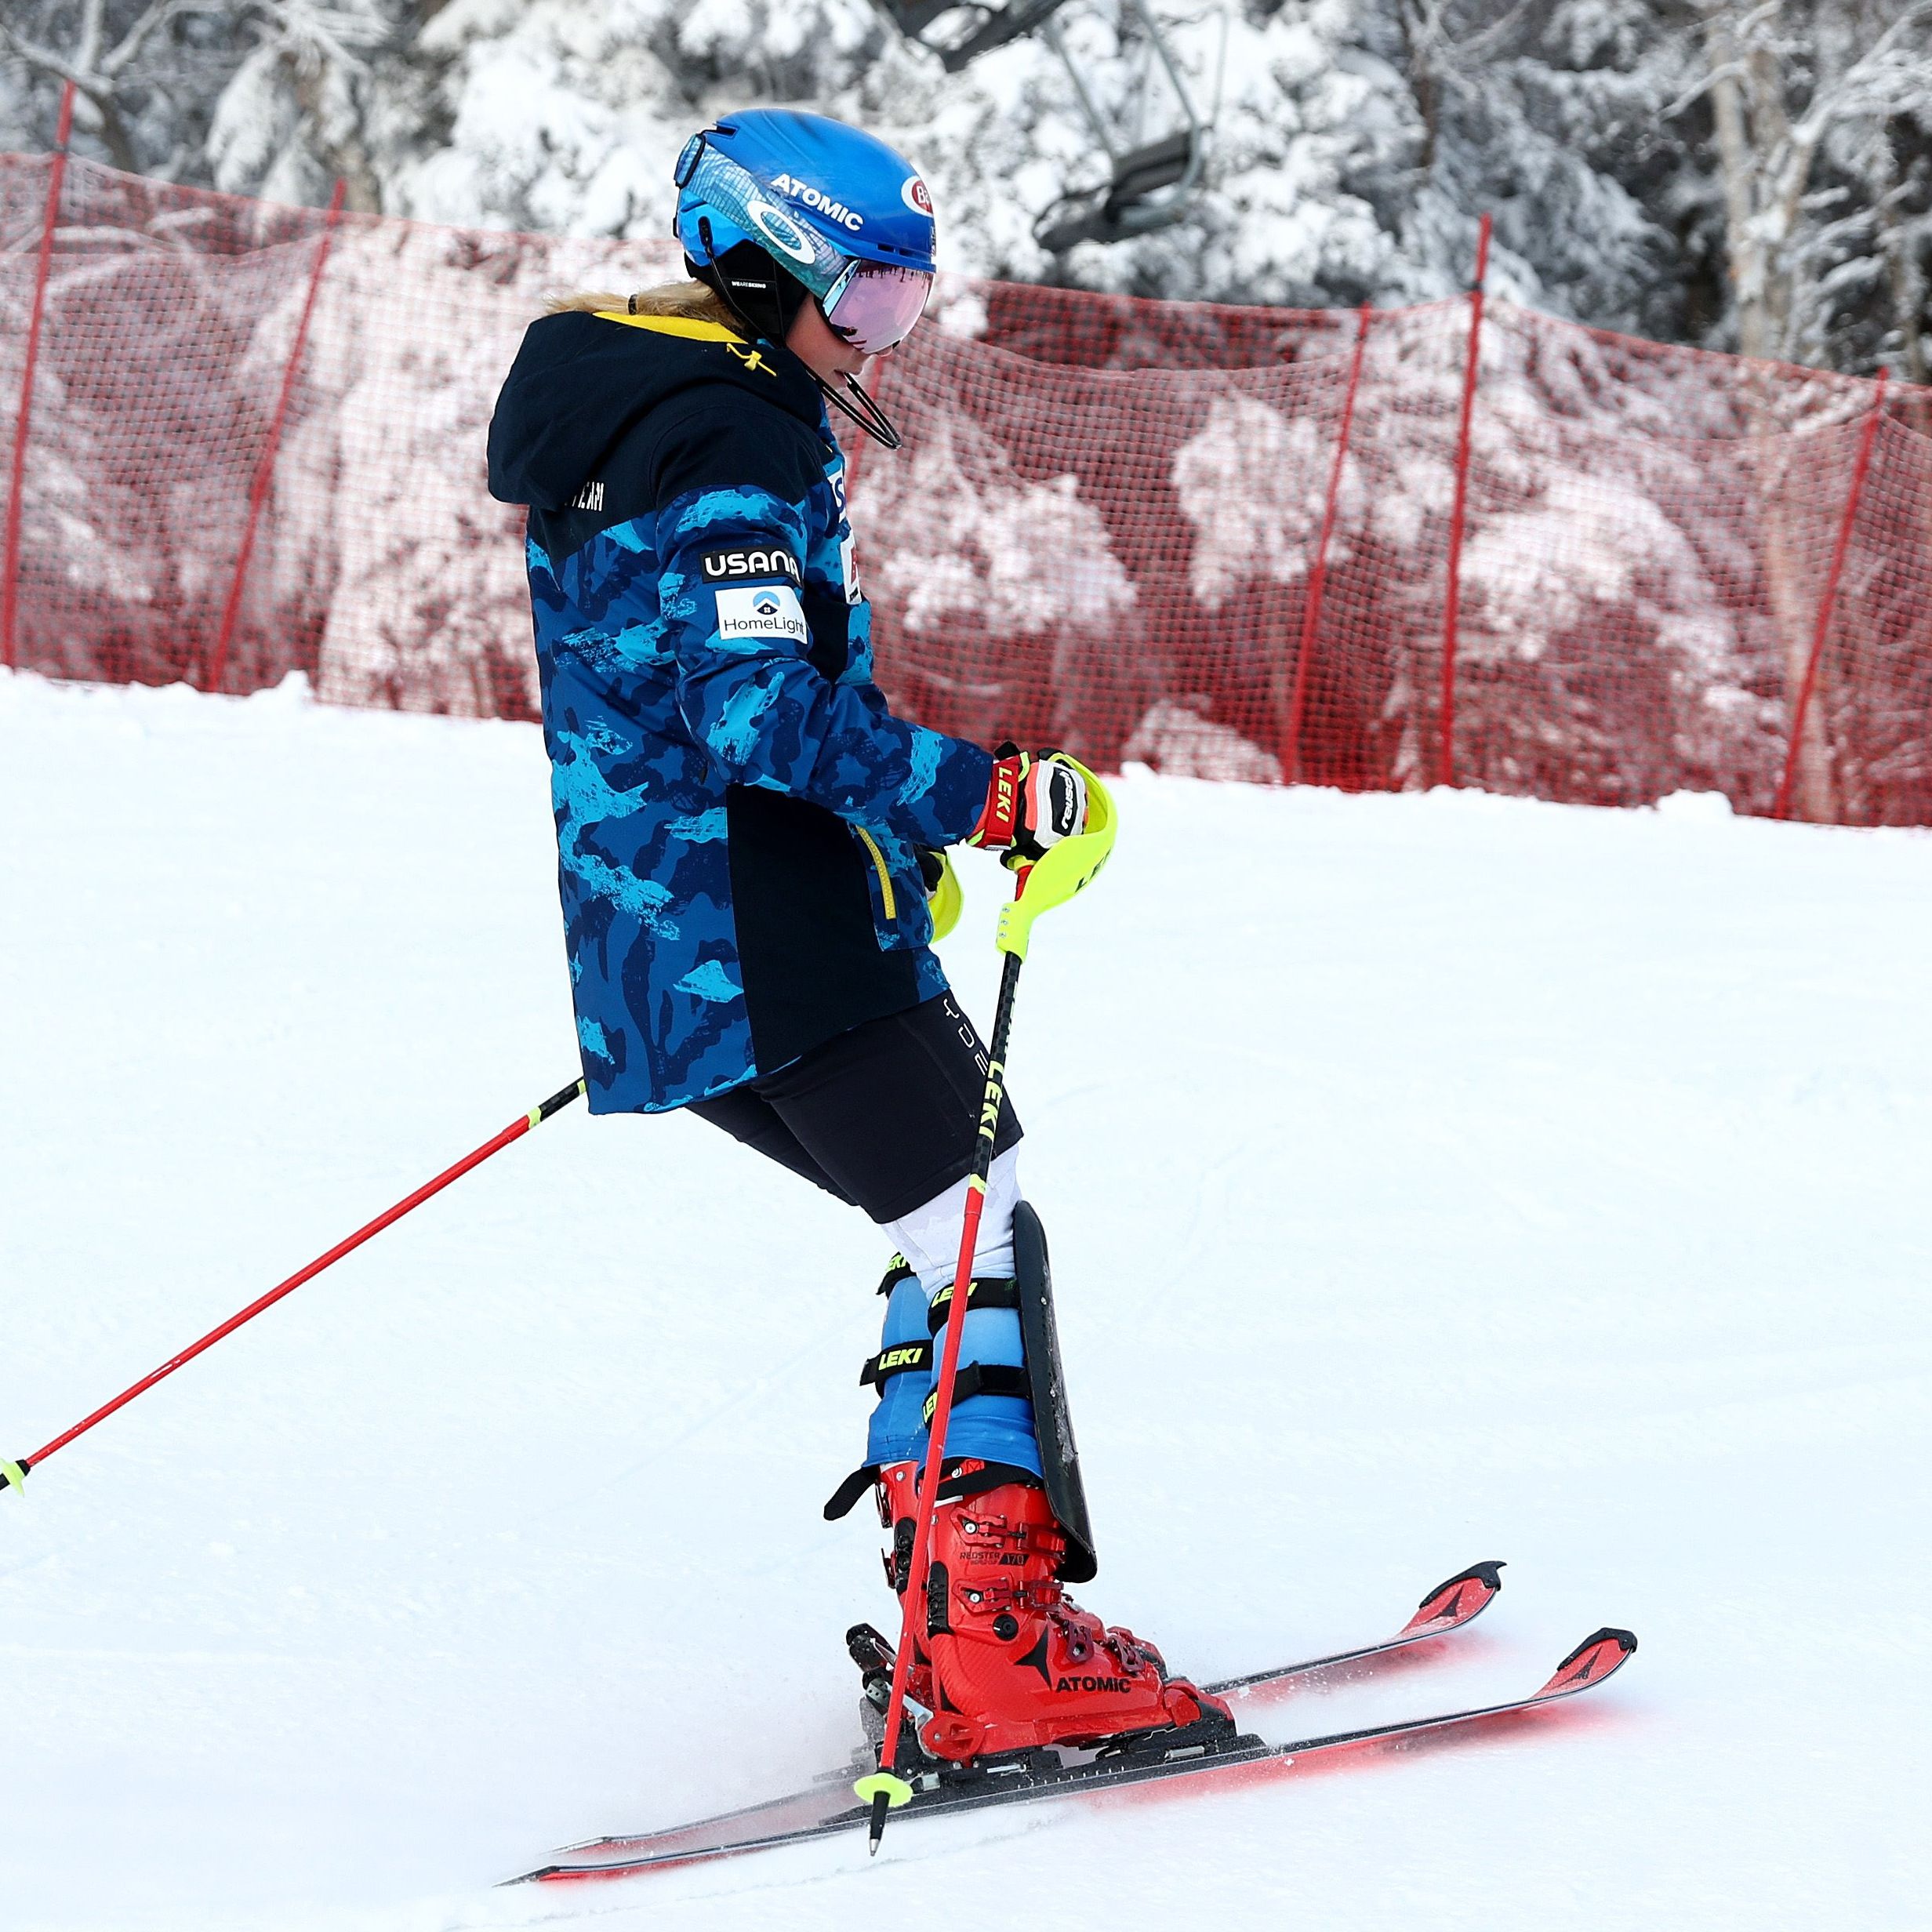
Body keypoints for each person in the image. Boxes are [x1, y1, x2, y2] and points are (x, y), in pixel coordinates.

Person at [487, 108, 1226, 1763]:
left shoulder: (654, 409)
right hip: (747, 924)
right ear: (762, 263)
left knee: (954, 1215)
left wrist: (887, 842)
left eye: (905, 302)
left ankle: (962, 1623)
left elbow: (712, 698)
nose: (884, 335)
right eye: (871, 297)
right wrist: (985, 795)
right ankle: (985, 1655)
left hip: (697, 921)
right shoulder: (717, 435)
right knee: (974, 1223)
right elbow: (753, 709)